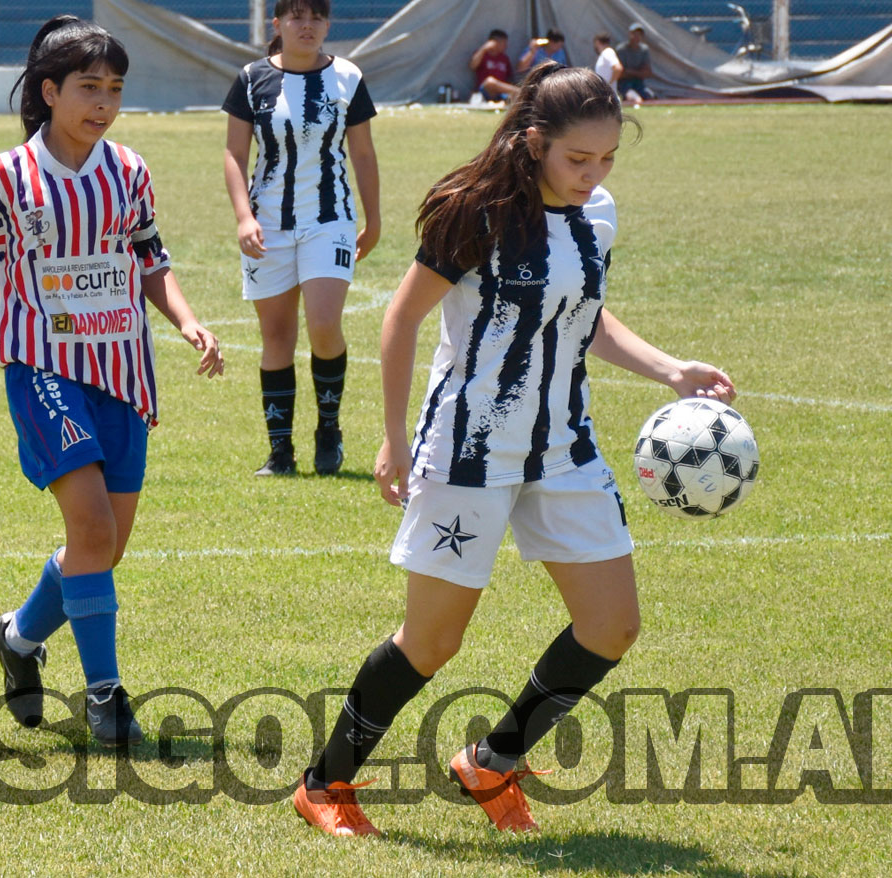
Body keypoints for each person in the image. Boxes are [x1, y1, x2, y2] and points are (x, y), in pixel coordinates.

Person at [292, 63, 736, 837]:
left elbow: (581, 315)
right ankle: (324, 782)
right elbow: (399, 321)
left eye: (605, 161)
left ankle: (491, 762)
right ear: (534, 142)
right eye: (577, 159)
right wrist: (394, 437)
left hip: (564, 449)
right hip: (467, 452)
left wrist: (670, 369)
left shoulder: (596, 214)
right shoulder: (476, 212)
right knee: (432, 641)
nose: (591, 174)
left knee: (611, 627)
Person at [0, 15, 223, 747]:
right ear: (49, 91)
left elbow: (149, 260)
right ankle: (106, 698)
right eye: (87, 87)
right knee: (92, 528)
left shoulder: (128, 171)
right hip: (44, 367)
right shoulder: (5, 178)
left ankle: (16, 637)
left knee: (103, 546)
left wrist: (187, 321)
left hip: (122, 373)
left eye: (113, 89)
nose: (102, 103)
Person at [223, 0, 380, 477]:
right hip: (268, 223)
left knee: (324, 324)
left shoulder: (348, 77)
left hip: (329, 219)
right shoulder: (251, 79)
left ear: (328, 24)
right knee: (275, 336)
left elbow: (364, 154)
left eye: (316, 17)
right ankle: (280, 451)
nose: (306, 25)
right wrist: (244, 217)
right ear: (278, 24)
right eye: (296, 16)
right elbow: (234, 153)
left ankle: (328, 431)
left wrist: (373, 221)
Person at [469, 28, 516, 102]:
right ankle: (520, 92)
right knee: (490, 82)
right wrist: (484, 48)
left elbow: (509, 77)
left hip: (502, 92)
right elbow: (473, 66)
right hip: (486, 90)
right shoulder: (482, 54)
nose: (506, 46)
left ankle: (513, 95)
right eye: (503, 44)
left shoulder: (504, 58)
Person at [615, 23, 655, 105]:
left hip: (639, 83)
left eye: (639, 35)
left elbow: (648, 73)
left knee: (650, 96)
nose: (637, 37)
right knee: (634, 98)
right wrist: (639, 73)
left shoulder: (644, 50)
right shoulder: (621, 50)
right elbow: (620, 73)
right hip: (624, 84)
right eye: (634, 34)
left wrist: (631, 72)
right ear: (630, 34)